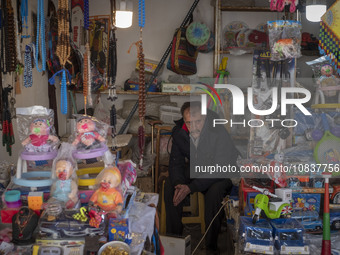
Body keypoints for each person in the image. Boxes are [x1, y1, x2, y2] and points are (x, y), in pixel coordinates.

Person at [164, 101, 239, 254]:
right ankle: (174, 241)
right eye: (189, 122)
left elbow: (220, 168)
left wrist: (191, 187)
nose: (194, 127)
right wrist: (179, 183)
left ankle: (210, 246)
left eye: (198, 121)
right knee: (170, 185)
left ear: (205, 118)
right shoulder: (180, 132)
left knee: (214, 193)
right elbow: (176, 162)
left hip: (220, 173)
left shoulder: (218, 131)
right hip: (197, 169)